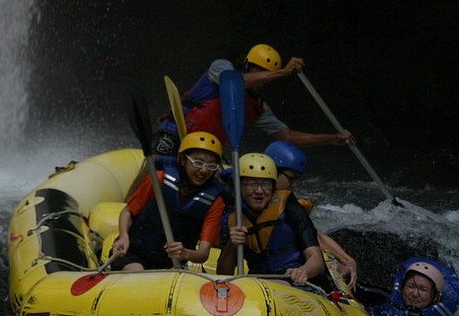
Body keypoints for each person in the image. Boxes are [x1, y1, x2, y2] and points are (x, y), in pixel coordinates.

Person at [153, 44, 355, 157]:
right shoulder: (221, 67)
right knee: (157, 162)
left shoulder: (258, 108)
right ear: (247, 65)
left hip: (207, 150)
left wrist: (332, 138)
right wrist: (283, 72)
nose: (262, 76)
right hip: (176, 132)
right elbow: (235, 82)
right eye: (258, 69)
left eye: (266, 73)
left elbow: (288, 136)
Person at [111, 131, 226, 271]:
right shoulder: (158, 179)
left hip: (170, 265)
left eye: (211, 165)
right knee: (137, 270)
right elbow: (128, 211)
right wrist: (123, 236)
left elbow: (203, 254)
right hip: (133, 254)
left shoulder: (215, 201)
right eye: (198, 162)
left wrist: (185, 253)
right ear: (183, 160)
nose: (204, 170)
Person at [216, 153, 329, 287]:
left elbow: (316, 259)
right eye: (251, 184)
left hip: (298, 284)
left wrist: (303, 271)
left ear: (273, 186)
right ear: (239, 186)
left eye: (265, 184)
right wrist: (232, 245)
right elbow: (223, 273)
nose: (259, 191)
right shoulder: (232, 220)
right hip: (260, 286)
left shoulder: (291, 209)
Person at [263, 140, 360, 289]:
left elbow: (313, 235)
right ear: (272, 171)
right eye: (291, 178)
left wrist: (347, 260)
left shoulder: (291, 206)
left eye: (297, 178)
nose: (295, 184)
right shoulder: (238, 193)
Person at [369, 258, 459, 316]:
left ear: (435, 297)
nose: (415, 294)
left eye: (422, 289)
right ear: (402, 287)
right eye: (410, 286)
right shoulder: (388, 299)